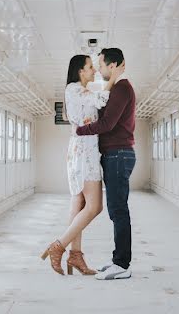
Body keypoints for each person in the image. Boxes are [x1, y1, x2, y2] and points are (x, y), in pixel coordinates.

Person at [40, 54, 125, 275]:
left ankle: (75, 256)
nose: (94, 71)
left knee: (78, 203)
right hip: (84, 153)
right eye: (89, 67)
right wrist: (113, 78)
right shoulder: (75, 90)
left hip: (81, 150)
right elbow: (101, 101)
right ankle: (59, 246)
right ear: (80, 71)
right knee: (95, 206)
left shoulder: (78, 91)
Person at [75, 48, 136, 280]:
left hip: (118, 155)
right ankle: (118, 261)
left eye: (101, 65)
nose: (99, 71)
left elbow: (108, 123)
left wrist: (81, 130)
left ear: (113, 66)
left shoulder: (121, 88)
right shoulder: (118, 89)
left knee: (118, 210)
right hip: (116, 154)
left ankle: (122, 265)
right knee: (116, 210)